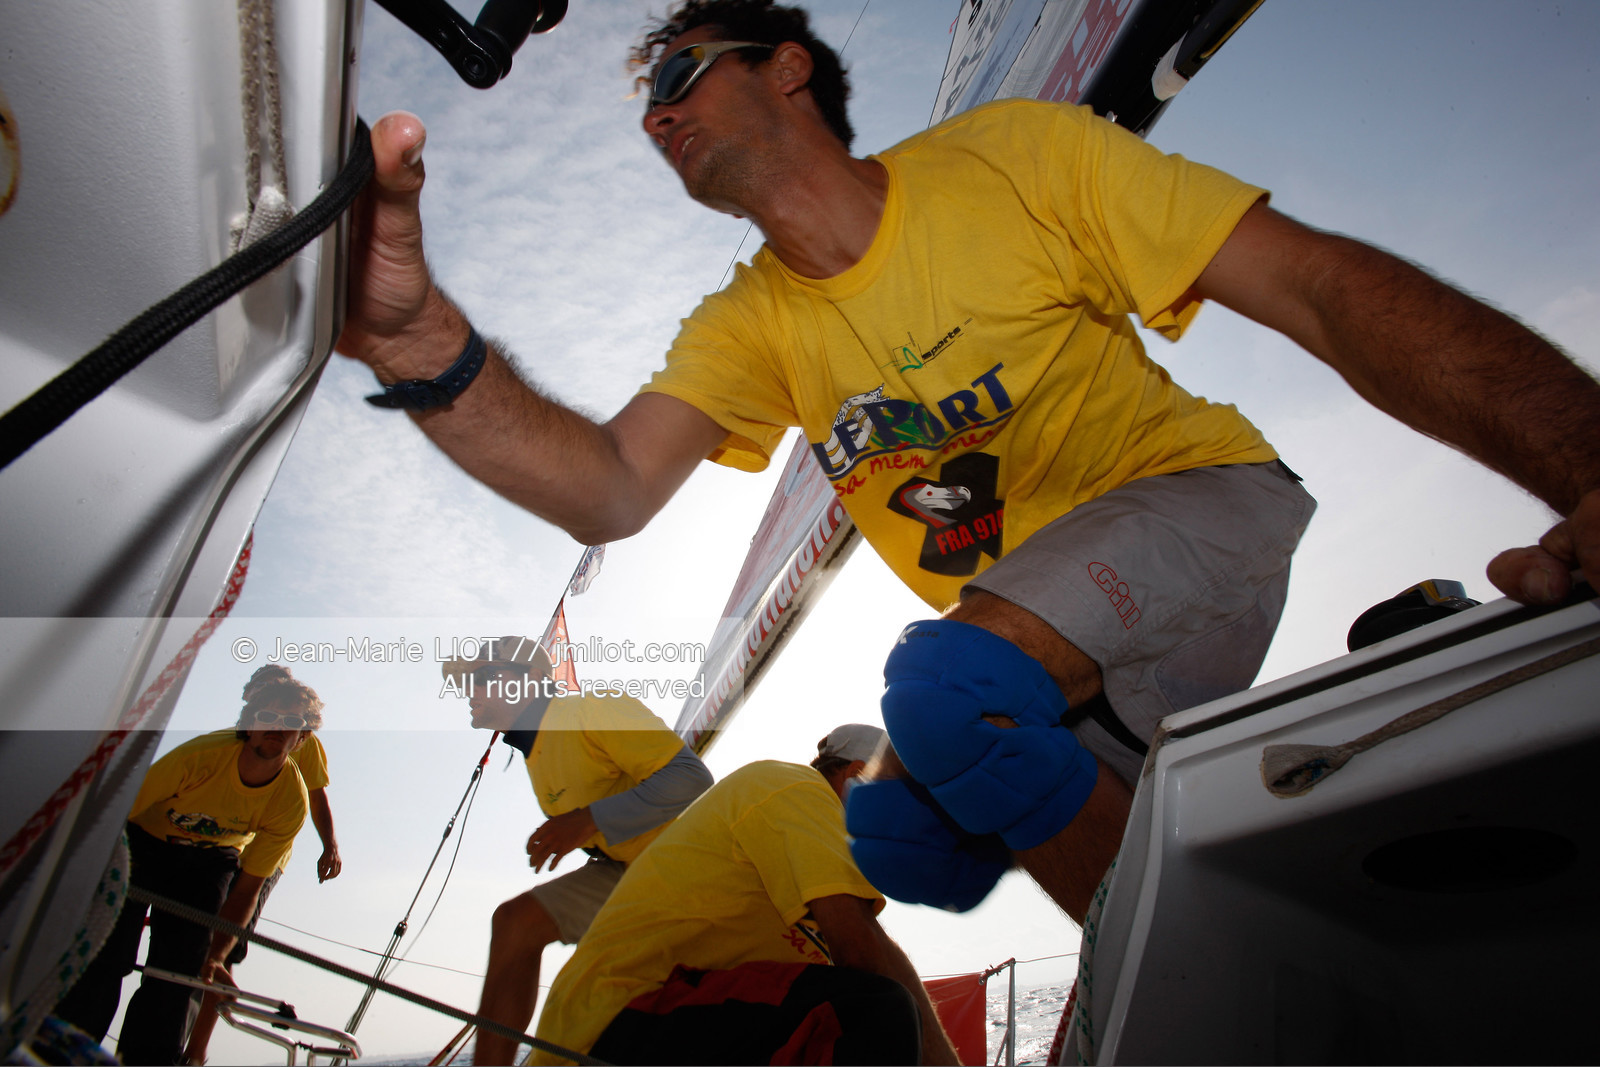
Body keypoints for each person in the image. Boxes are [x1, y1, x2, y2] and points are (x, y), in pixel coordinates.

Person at [336, 0, 1600, 925]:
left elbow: (1316, 289)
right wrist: (417, 343)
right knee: (899, 845)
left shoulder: (1014, 162)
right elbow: (606, 485)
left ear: (786, 69)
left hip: (1199, 502)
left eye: (676, 70)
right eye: (646, 105)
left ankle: (1229, 982)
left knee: (948, 689)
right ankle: (1282, 859)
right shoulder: (747, 324)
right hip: (1067, 636)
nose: (657, 111)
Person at [528, 724, 960, 1065]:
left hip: (660, 1030)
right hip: (610, 1028)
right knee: (874, 1008)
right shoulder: (793, 787)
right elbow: (866, 951)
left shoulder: (814, 855)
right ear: (857, 775)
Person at [442, 635, 714, 1065]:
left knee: (585, 1007)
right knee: (515, 922)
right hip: (626, 872)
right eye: (467, 683)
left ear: (529, 680)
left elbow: (691, 777)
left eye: (483, 677)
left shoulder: (591, 708)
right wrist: (585, 829)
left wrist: (587, 820)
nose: (470, 692)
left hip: (690, 868)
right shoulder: (535, 751)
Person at [52, 674, 319, 1065]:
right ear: (248, 725)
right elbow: (111, 817)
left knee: (180, 976)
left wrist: (216, 955)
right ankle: (65, 1054)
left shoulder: (291, 801)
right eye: (267, 717)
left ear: (304, 738)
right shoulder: (199, 758)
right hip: (142, 843)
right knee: (106, 957)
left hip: (211, 862)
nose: (275, 731)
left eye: (291, 723)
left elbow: (246, 890)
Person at [183, 665, 342, 1065]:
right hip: (216, 844)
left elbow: (317, 793)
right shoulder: (240, 737)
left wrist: (330, 845)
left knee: (224, 949)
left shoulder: (298, 736)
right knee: (189, 942)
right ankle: (170, 1042)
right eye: (259, 698)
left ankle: (196, 1052)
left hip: (264, 857)